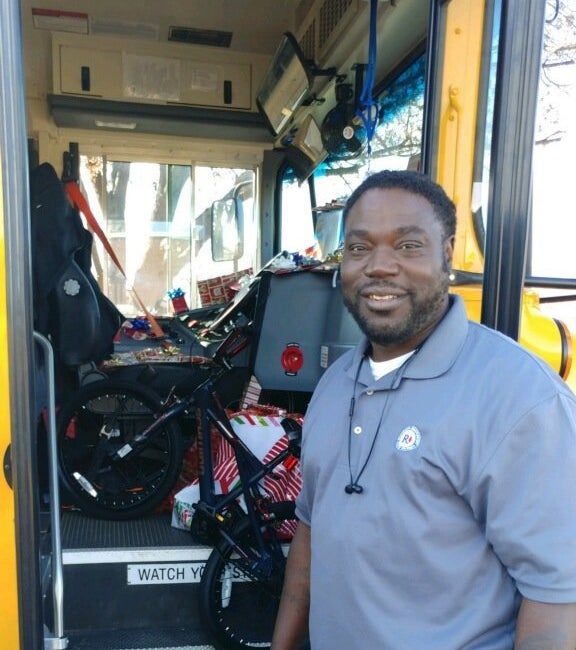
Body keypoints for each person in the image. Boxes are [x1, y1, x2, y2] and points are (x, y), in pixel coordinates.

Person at [270, 170, 576, 650]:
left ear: (448, 255)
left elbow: (558, 605)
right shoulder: (333, 385)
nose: (380, 266)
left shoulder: (521, 401)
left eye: (408, 246)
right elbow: (310, 543)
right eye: (358, 247)